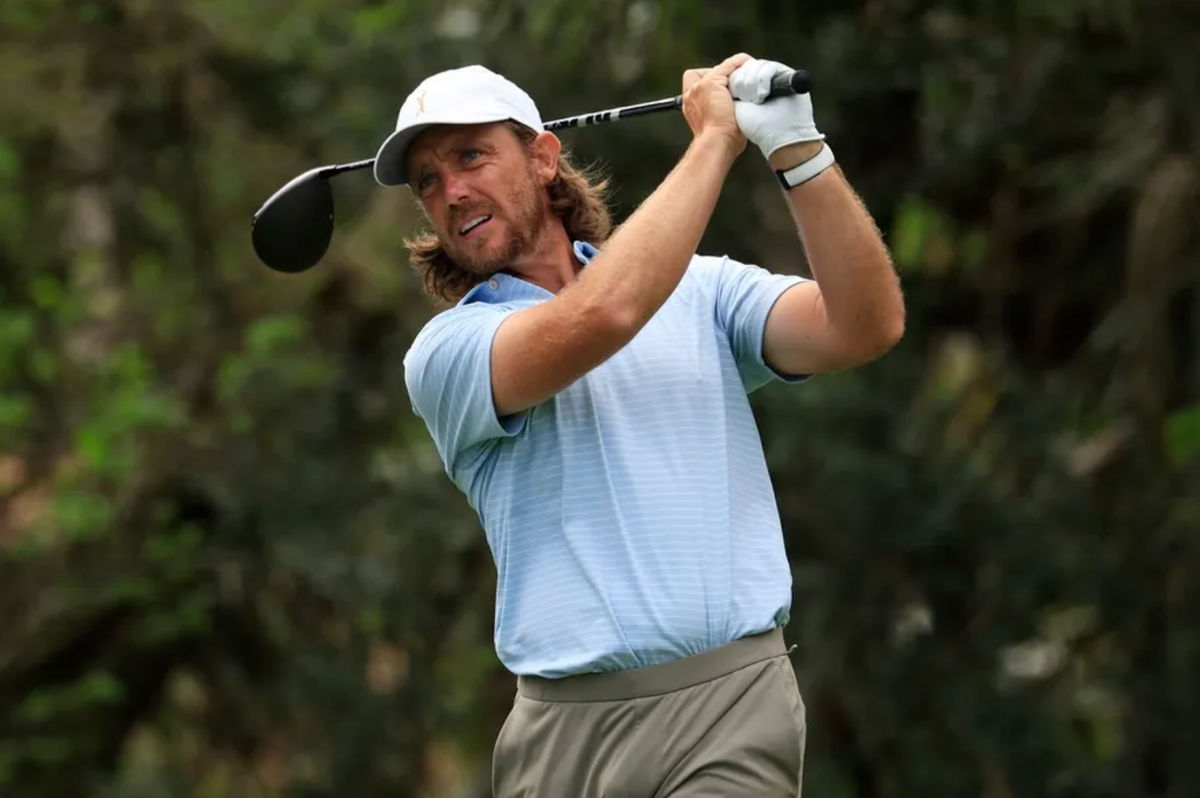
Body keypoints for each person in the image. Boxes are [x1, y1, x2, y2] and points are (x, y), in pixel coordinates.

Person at [373, 53, 904, 797]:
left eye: (471, 156)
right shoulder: (449, 353)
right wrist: (715, 140)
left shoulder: (702, 290)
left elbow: (863, 325)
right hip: (565, 735)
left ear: (544, 158)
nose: (453, 191)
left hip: (731, 704)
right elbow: (603, 315)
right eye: (429, 180)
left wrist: (799, 150)